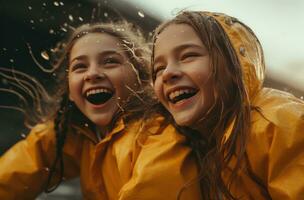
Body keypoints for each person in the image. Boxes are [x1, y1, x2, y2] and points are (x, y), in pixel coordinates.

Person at [0, 21, 201, 199]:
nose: (93, 74)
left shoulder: (158, 134)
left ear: (141, 77)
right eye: (80, 67)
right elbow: (12, 176)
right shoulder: (72, 134)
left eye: (110, 61)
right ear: (69, 90)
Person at [151, 11, 304, 199]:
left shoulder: (281, 124)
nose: (167, 73)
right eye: (158, 69)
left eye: (188, 56)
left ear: (235, 64)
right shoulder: (196, 144)